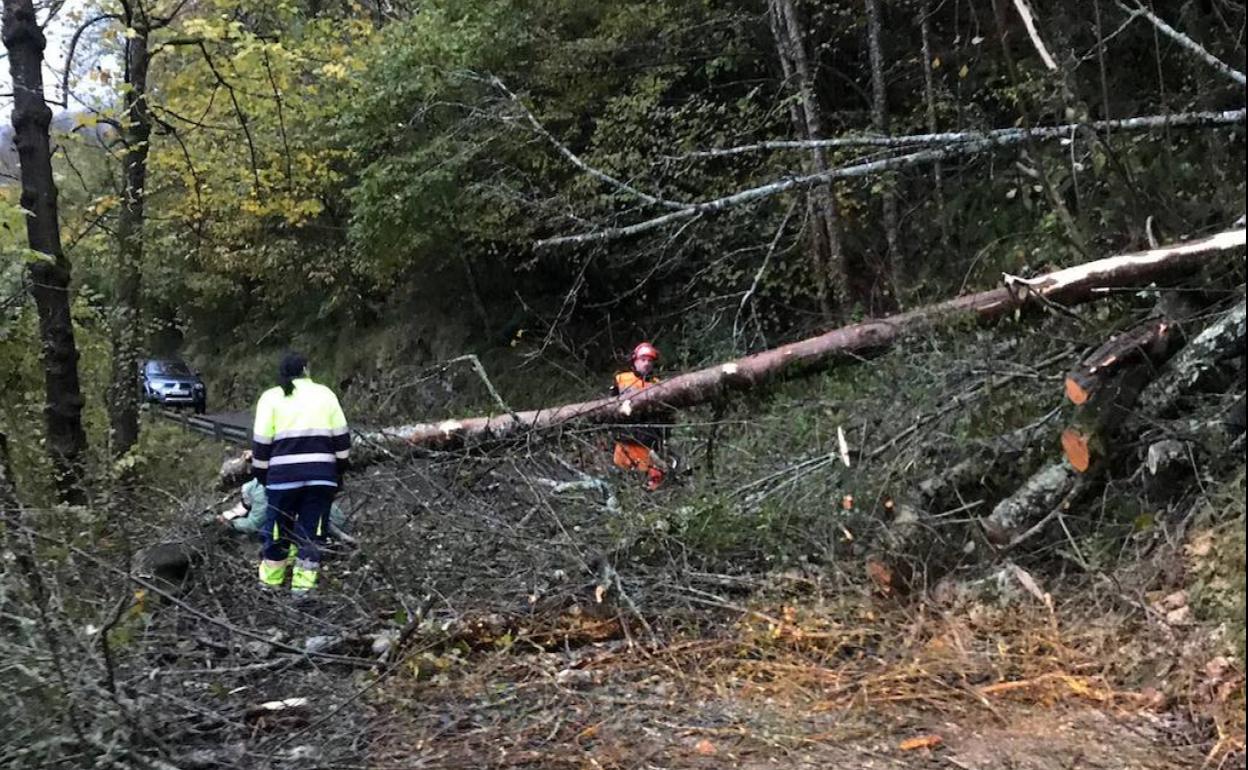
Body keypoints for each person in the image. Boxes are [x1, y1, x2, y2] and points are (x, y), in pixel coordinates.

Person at [251, 352, 351, 595]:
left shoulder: (271, 398)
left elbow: (262, 443)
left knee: (276, 530)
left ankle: (270, 585)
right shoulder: (325, 394)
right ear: (306, 369)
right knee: (312, 531)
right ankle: (303, 589)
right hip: (321, 477)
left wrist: (263, 476)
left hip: (281, 479)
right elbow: (341, 438)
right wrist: (338, 471)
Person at [221, 477, 353, 545]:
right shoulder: (262, 484)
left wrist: (231, 523)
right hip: (329, 515)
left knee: (267, 531)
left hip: (329, 524)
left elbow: (253, 524)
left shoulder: (261, 493)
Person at [611, 342, 670, 491]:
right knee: (623, 475)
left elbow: (664, 415)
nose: (647, 364)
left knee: (649, 477)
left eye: (650, 361)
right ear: (635, 361)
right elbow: (608, 409)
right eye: (643, 360)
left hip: (647, 439)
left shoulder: (658, 385)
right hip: (626, 437)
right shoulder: (621, 379)